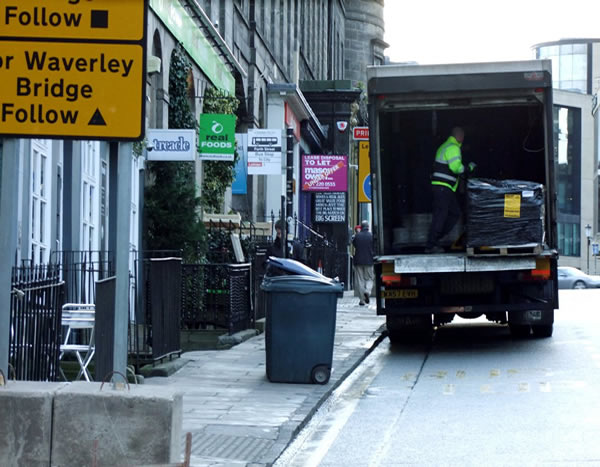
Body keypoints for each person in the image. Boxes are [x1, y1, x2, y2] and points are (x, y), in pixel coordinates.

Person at [426, 127, 475, 253]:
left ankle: (435, 239)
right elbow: (456, 168)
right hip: (443, 187)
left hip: (443, 187)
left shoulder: (444, 146)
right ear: (460, 136)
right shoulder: (453, 147)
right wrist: (469, 168)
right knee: (441, 215)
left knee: (454, 213)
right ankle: (431, 244)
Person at [352, 220, 374, 306]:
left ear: (361, 227)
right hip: (369, 260)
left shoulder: (357, 236)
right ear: (368, 227)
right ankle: (367, 291)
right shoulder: (371, 236)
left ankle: (362, 300)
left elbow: (354, 244)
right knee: (369, 278)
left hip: (358, 261)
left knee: (360, 280)